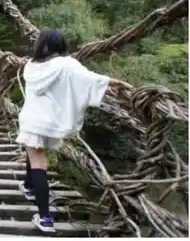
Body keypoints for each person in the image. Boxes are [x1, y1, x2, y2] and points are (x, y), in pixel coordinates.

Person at [16, 29, 130, 233]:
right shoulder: (67, 64)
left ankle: (45, 218)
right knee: (37, 154)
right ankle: (30, 187)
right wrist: (115, 82)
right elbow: (91, 79)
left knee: (37, 159)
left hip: (32, 120)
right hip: (50, 123)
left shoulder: (30, 66)